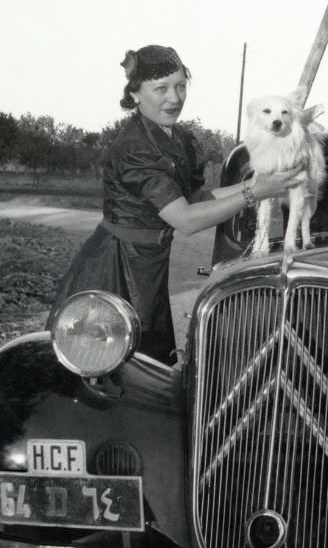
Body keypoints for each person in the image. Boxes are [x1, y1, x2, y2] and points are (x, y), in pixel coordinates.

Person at [48, 45, 303, 364]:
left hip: (148, 266)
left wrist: (253, 184)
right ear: (136, 93)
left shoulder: (178, 139)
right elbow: (185, 219)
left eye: (181, 86)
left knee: (149, 367)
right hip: (113, 269)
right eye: (161, 88)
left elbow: (195, 200)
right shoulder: (134, 147)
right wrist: (255, 193)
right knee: (106, 365)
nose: (174, 98)